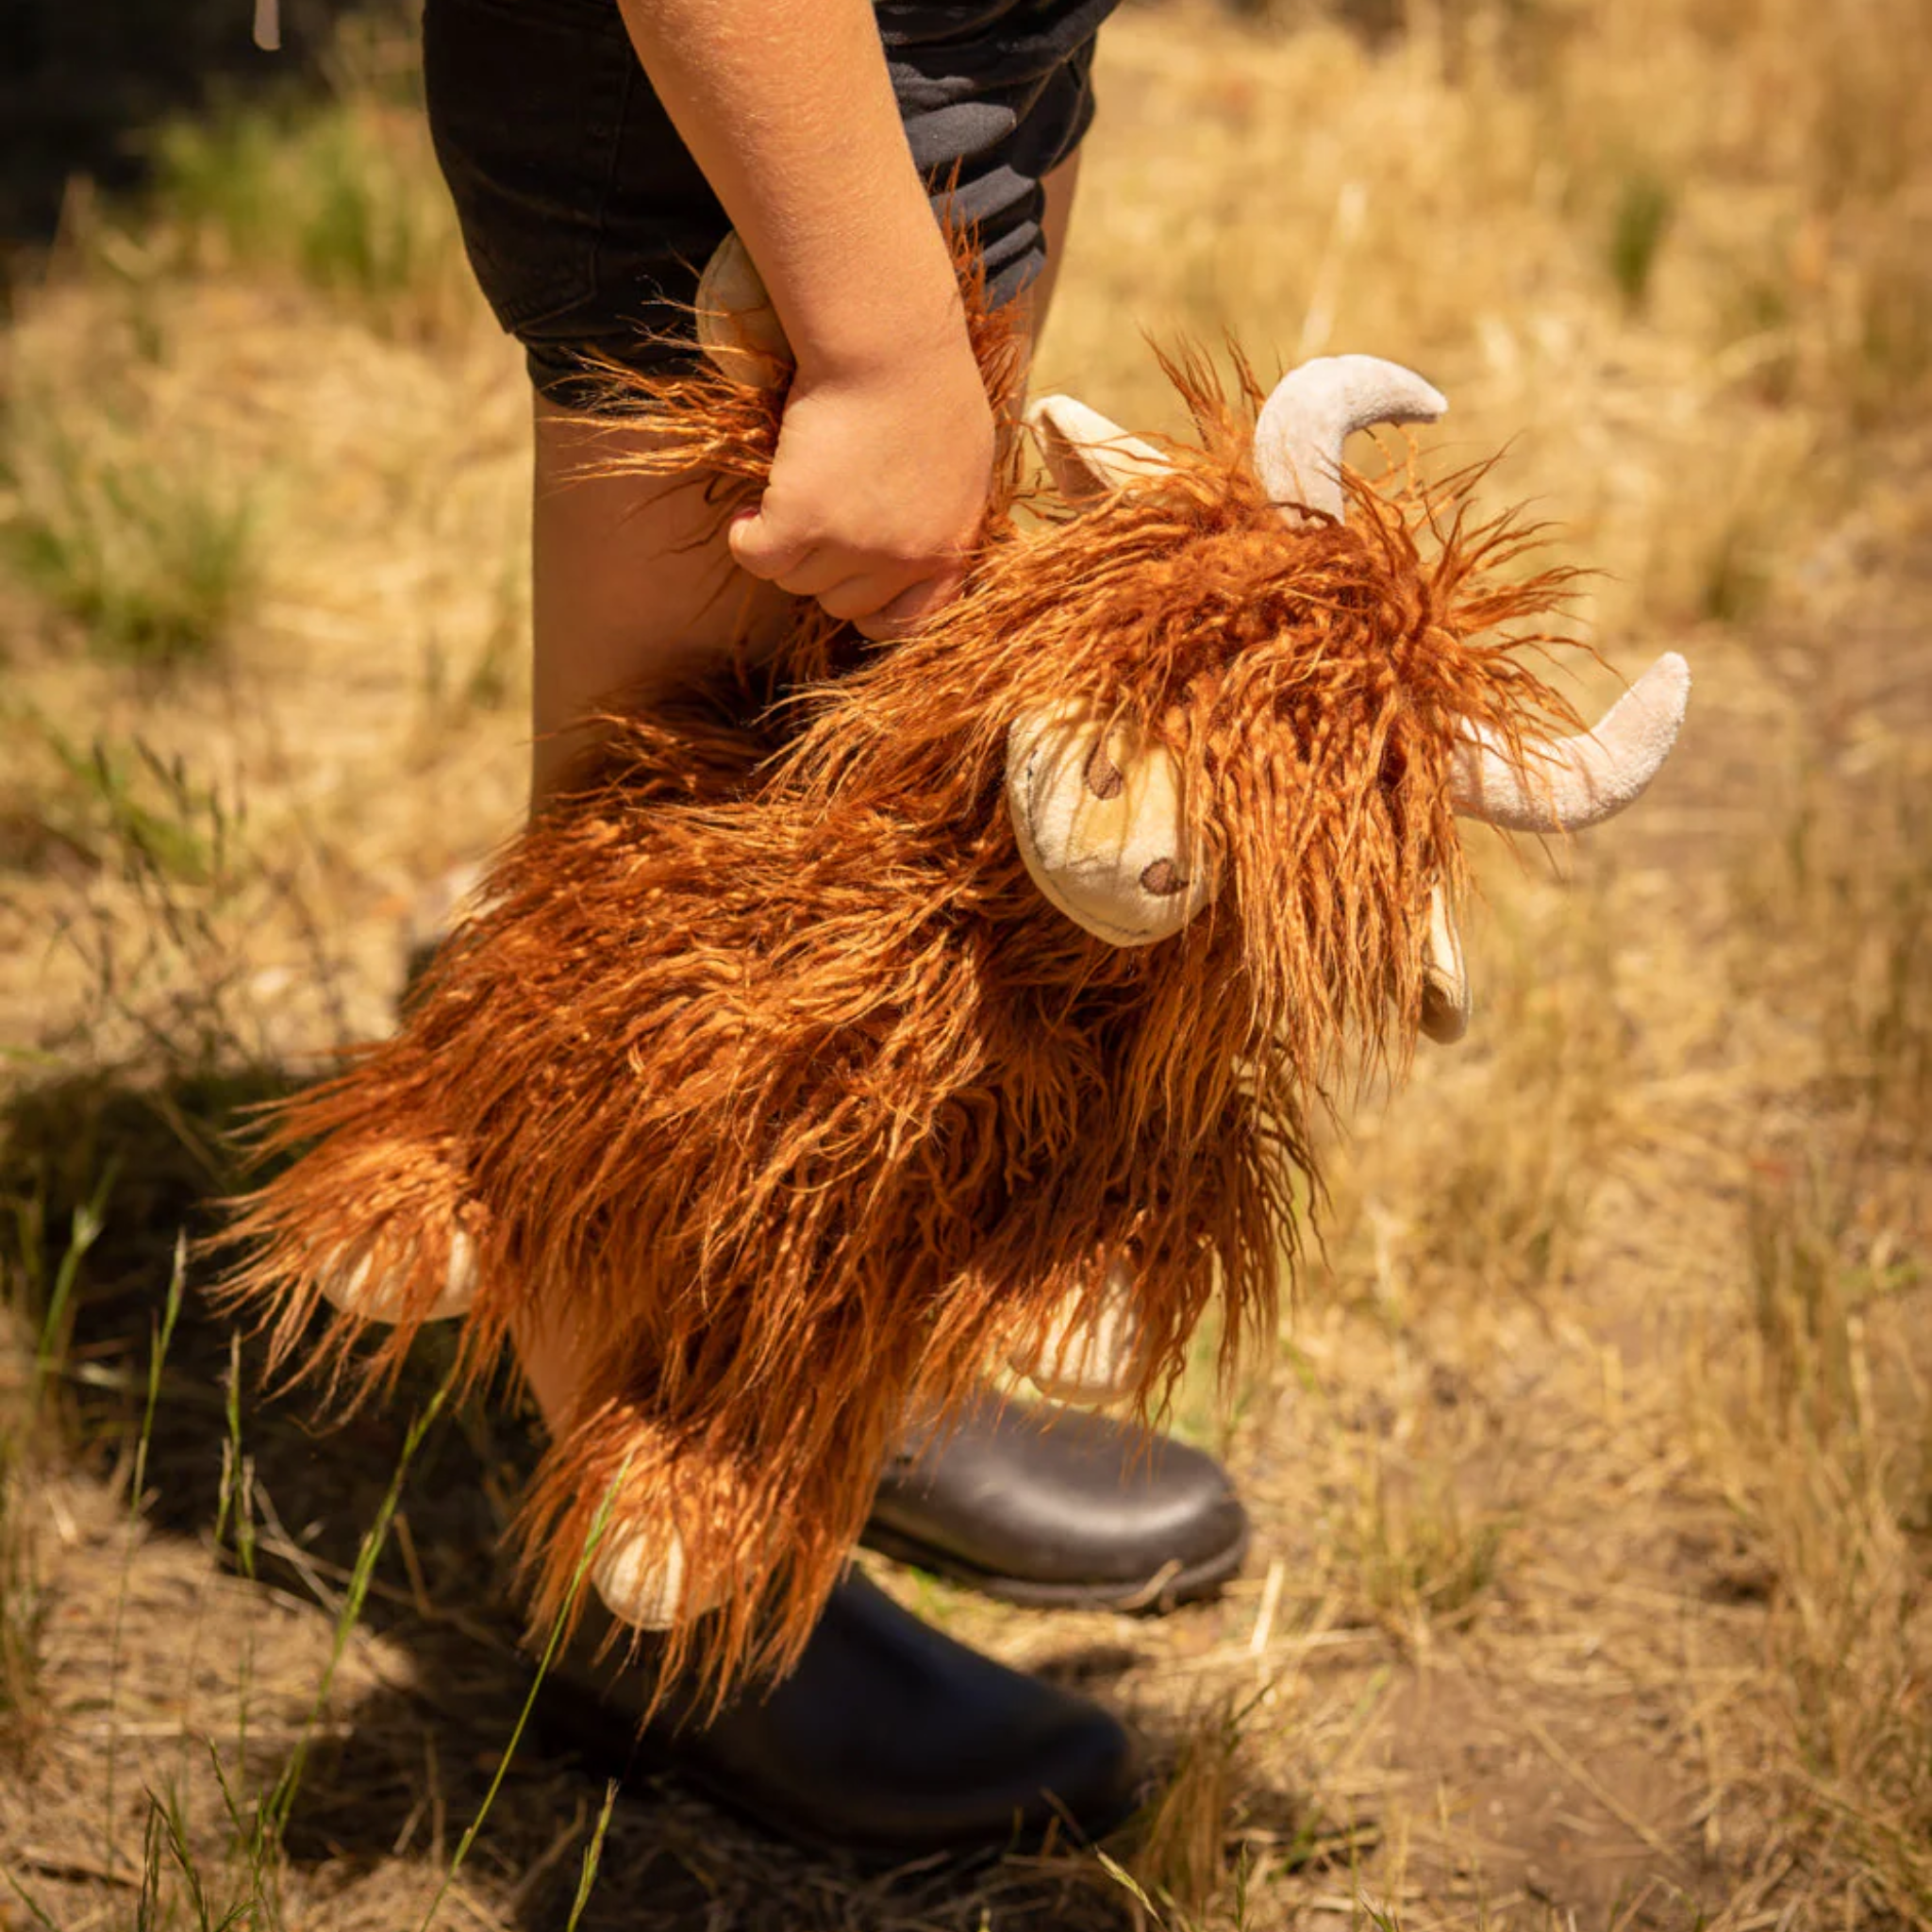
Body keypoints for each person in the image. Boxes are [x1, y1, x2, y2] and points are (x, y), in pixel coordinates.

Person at [420, 0, 1250, 1857]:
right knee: (658, 878)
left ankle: (839, 1363)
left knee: (859, 788)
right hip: (737, 105)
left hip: (938, 75)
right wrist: (874, 333)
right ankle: (671, 1561)